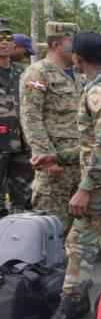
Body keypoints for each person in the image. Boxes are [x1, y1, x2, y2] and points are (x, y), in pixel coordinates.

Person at [22, 31, 101, 319]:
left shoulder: (99, 93)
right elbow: (95, 145)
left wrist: (85, 187)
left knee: (78, 246)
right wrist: (58, 155)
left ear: (77, 58)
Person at [18, 21, 83, 234]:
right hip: (55, 166)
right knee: (51, 228)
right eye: (72, 41)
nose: (77, 46)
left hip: (78, 161)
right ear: (56, 45)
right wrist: (46, 156)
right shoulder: (38, 73)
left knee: (76, 230)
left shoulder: (78, 75)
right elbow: (31, 117)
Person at [0, 21, 33, 216]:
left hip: (22, 143)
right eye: (0, 38)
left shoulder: (23, 73)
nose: (4, 42)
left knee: (23, 199)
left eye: (8, 38)